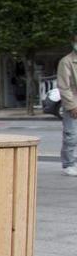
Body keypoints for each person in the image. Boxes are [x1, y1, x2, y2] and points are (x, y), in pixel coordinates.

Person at [58, 33, 77, 177]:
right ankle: (68, 164)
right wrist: (72, 106)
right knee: (71, 135)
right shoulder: (66, 61)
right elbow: (64, 87)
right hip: (74, 102)